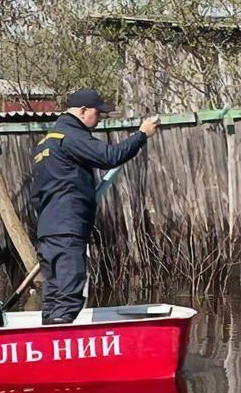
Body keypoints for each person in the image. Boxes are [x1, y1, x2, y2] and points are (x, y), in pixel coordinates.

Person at [29, 88, 159, 324]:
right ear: (82, 110)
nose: (99, 119)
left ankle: (47, 337)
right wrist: (141, 134)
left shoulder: (46, 142)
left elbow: (37, 193)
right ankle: (61, 340)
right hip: (67, 228)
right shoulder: (71, 136)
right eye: (97, 113)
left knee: (54, 295)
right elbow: (110, 156)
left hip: (48, 231)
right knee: (68, 295)